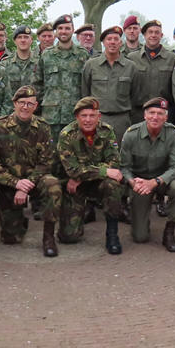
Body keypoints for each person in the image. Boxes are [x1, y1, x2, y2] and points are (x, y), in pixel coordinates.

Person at [0, 86, 64, 252]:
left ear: (36, 106)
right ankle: (19, 222)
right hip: (9, 183)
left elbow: (46, 162)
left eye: (30, 104)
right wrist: (15, 183)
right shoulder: (0, 127)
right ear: (14, 103)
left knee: (53, 184)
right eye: (22, 102)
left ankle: (49, 237)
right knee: (11, 239)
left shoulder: (42, 127)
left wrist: (27, 183)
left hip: (35, 179)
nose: (25, 107)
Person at [58, 97, 126, 255]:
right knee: (68, 237)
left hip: (95, 183)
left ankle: (112, 235)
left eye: (92, 115)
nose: (88, 120)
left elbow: (114, 164)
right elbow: (72, 170)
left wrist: (83, 173)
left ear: (99, 116)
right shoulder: (67, 135)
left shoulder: (107, 131)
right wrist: (103, 171)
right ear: (77, 117)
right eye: (83, 116)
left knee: (113, 185)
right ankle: (79, 217)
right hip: (74, 186)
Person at [121, 97, 175, 251]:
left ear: (166, 117)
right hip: (141, 184)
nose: (155, 117)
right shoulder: (131, 134)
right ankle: (142, 220)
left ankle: (170, 230)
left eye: (160, 113)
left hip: (164, 181)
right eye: (151, 113)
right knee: (140, 237)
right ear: (144, 115)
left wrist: (156, 181)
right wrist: (132, 182)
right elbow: (124, 167)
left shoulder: (172, 133)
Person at [35, 14, 89, 135]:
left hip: (75, 116)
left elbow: (87, 86)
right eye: (60, 28)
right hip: (51, 117)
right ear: (56, 32)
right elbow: (38, 84)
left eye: (67, 28)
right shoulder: (46, 55)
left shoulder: (83, 55)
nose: (63, 31)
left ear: (73, 30)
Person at [81, 25, 136, 136]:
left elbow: (136, 94)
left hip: (122, 119)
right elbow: (85, 92)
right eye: (109, 39)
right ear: (103, 43)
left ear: (121, 43)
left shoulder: (130, 66)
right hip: (97, 118)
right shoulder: (91, 65)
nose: (112, 42)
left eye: (116, 39)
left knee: (120, 151)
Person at [128, 19, 175, 124]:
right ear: (144, 35)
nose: (153, 35)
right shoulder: (132, 58)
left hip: (163, 113)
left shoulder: (172, 58)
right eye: (150, 32)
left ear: (161, 35)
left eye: (157, 32)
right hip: (138, 113)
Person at [1, 25, 41, 95]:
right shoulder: (5, 63)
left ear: (31, 40)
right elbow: (0, 89)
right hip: (11, 105)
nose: (23, 40)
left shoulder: (40, 62)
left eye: (26, 37)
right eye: (19, 37)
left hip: (34, 105)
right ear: (14, 41)